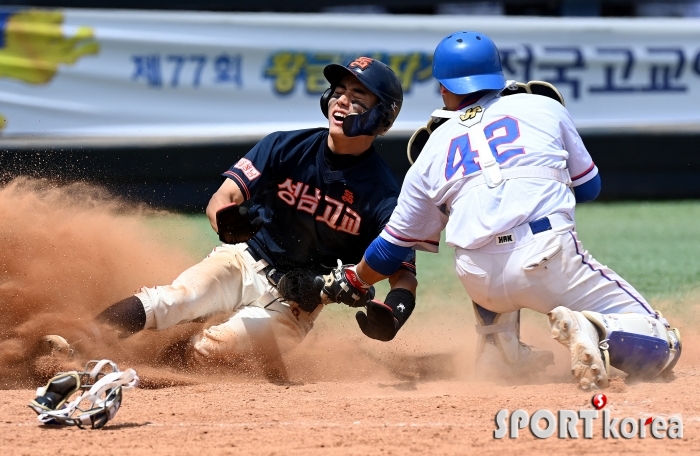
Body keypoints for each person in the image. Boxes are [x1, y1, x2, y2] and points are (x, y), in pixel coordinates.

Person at [320, 32, 682, 390]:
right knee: (665, 342)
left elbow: (390, 249)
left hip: (480, 280)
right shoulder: (544, 106)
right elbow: (589, 188)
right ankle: (597, 329)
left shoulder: (431, 150)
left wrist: (354, 279)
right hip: (548, 259)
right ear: (496, 74)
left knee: (482, 237)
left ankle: (498, 348)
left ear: (444, 87)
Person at [47, 57, 417, 368]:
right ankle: (75, 346)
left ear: (382, 116)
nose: (341, 101)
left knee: (213, 350)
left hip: (297, 305)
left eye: (357, 96)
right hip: (246, 260)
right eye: (338, 92)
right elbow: (222, 198)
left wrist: (395, 314)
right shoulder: (285, 146)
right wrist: (227, 219)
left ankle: (144, 366)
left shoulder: (384, 194)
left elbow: (404, 277)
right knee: (175, 298)